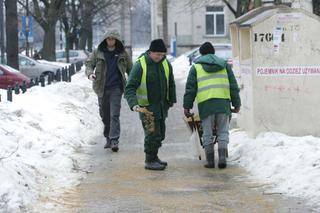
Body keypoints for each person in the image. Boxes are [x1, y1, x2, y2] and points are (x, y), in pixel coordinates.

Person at [183, 42, 241, 169]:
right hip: (223, 104)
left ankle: (210, 161)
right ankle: (221, 159)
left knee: (207, 133)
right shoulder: (225, 65)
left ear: (202, 54)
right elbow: (233, 87)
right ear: (213, 52)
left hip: (206, 105)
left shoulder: (196, 67)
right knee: (223, 131)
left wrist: (187, 107)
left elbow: (190, 89)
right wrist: (237, 104)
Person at [124, 39, 176, 170]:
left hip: (162, 107)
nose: (160, 57)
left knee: (160, 134)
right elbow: (129, 87)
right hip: (146, 107)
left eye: (162, 54)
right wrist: (134, 104)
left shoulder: (166, 64)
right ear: (150, 52)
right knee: (152, 133)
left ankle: (155, 156)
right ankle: (149, 160)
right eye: (157, 54)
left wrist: (171, 101)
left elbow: (171, 83)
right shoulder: (140, 65)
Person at [85, 29, 132, 152]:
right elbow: (89, 64)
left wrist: (133, 84)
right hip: (101, 87)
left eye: (113, 39)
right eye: (108, 39)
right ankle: (108, 137)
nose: (111, 41)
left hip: (116, 88)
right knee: (105, 115)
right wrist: (90, 74)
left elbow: (131, 69)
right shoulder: (98, 52)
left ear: (116, 40)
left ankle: (114, 139)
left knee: (114, 114)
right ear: (105, 39)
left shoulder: (122, 53)